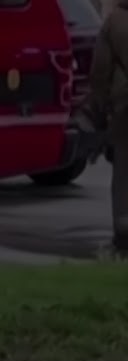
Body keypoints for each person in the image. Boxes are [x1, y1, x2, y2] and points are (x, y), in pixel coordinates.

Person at [77, 0, 128, 256]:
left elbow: (101, 71)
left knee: (124, 175)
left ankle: (123, 241)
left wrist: (96, 109)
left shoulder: (116, 21)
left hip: (124, 110)